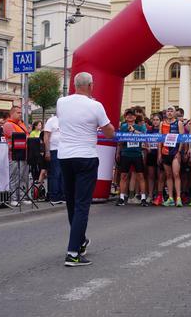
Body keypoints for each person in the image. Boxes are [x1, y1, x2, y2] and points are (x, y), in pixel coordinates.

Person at [57, 72, 115, 267]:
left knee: (72, 203)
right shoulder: (95, 105)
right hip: (86, 156)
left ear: (74, 85)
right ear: (91, 85)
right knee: (82, 205)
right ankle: (73, 253)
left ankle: (80, 241)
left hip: (65, 157)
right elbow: (109, 132)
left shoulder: (61, 102)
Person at [116, 109, 148, 206]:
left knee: (140, 176)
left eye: (131, 115)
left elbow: (144, 137)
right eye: (128, 115)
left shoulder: (140, 126)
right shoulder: (123, 127)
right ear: (125, 117)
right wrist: (118, 152)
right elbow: (120, 141)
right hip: (125, 154)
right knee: (123, 176)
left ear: (135, 117)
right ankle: (121, 198)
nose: (129, 117)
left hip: (137, 154)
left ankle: (143, 198)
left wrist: (134, 131)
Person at [157, 106, 185, 207]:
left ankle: (178, 198)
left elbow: (182, 138)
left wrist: (179, 151)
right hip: (165, 152)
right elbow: (160, 139)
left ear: (174, 113)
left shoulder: (179, 123)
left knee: (176, 174)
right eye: (168, 111)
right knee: (168, 175)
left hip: (175, 152)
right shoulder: (162, 123)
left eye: (171, 111)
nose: (169, 112)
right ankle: (170, 198)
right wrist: (159, 153)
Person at [2, 106, 29, 207]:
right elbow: (16, 138)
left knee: (23, 177)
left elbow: (25, 137)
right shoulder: (8, 124)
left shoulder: (21, 124)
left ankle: (22, 197)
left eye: (21, 113)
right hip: (14, 154)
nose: (20, 114)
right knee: (14, 177)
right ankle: (13, 198)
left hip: (24, 153)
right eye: (18, 113)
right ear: (12, 113)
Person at [43, 114, 65, 205]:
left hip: (65, 150)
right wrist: (47, 151)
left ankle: (63, 196)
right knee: (55, 173)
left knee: (64, 174)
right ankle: (54, 196)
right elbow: (46, 136)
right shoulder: (52, 120)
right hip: (54, 150)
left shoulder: (67, 119)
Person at [145, 113, 162, 204]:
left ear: (160, 121)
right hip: (151, 154)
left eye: (157, 120)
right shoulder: (149, 130)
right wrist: (147, 147)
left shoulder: (163, 130)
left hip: (160, 154)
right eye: (154, 120)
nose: (155, 121)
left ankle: (159, 195)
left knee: (160, 176)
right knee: (151, 176)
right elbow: (146, 141)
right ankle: (150, 195)